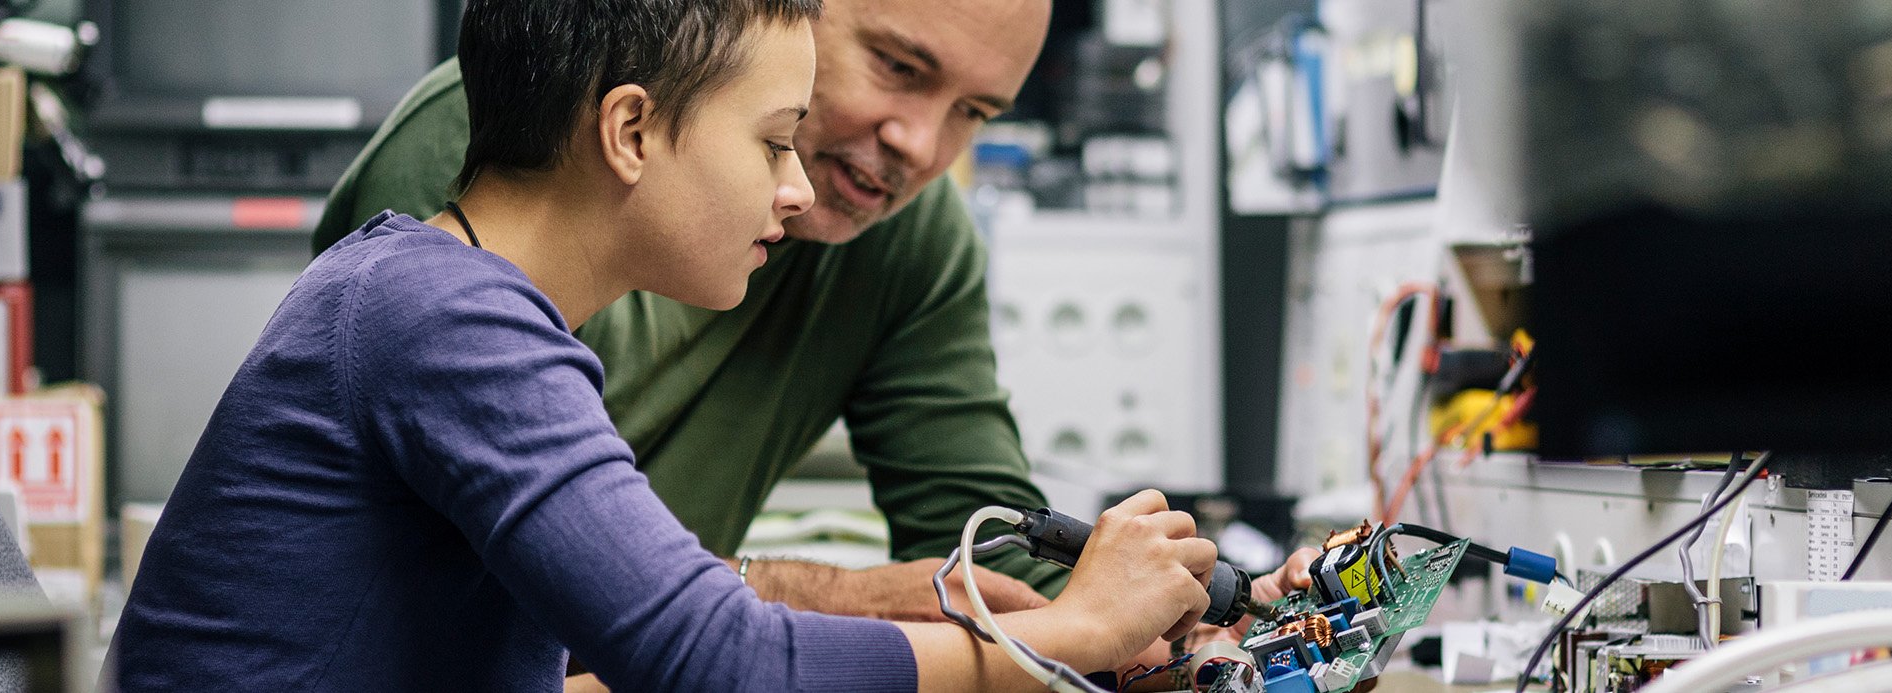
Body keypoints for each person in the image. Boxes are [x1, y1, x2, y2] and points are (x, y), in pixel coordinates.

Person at [109, 0, 1227, 690]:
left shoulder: (453, 300)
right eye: (775, 143)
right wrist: (1073, 633)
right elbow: (717, 660)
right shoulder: (450, 321)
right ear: (632, 130)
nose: (797, 191)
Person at [313, 0, 1308, 623]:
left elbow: (994, 550)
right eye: (901, 68)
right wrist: (821, 596)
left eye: (972, 113)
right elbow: (489, 604)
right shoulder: (499, 164)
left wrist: (1180, 624)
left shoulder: (912, 238)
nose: (923, 146)